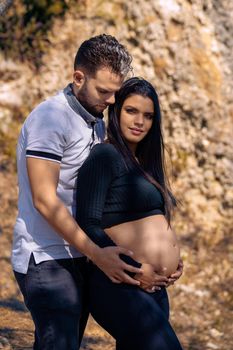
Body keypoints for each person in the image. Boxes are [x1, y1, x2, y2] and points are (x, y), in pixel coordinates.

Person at [11, 34, 147, 350]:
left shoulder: (96, 121)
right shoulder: (50, 118)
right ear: (78, 78)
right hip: (45, 256)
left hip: (81, 254)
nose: (112, 101)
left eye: (116, 92)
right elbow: (45, 200)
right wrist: (98, 254)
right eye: (104, 91)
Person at [76, 77, 184, 349]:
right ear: (117, 110)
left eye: (148, 116)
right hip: (118, 283)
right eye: (131, 111)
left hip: (154, 285)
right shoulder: (105, 156)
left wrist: (171, 260)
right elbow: (87, 224)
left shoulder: (147, 163)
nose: (140, 121)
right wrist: (138, 270)